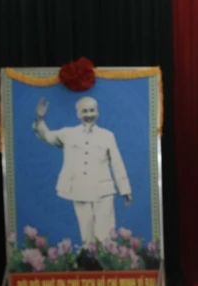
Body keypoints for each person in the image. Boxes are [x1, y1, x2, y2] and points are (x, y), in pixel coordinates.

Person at [33, 96, 131, 246]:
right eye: (84, 111)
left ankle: (107, 262)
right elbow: (47, 136)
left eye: (92, 110)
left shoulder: (107, 136)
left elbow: (117, 163)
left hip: (103, 191)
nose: (89, 114)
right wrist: (40, 119)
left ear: (97, 112)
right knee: (87, 232)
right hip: (79, 190)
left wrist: (125, 190)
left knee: (106, 232)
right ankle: (91, 263)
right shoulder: (68, 134)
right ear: (78, 114)